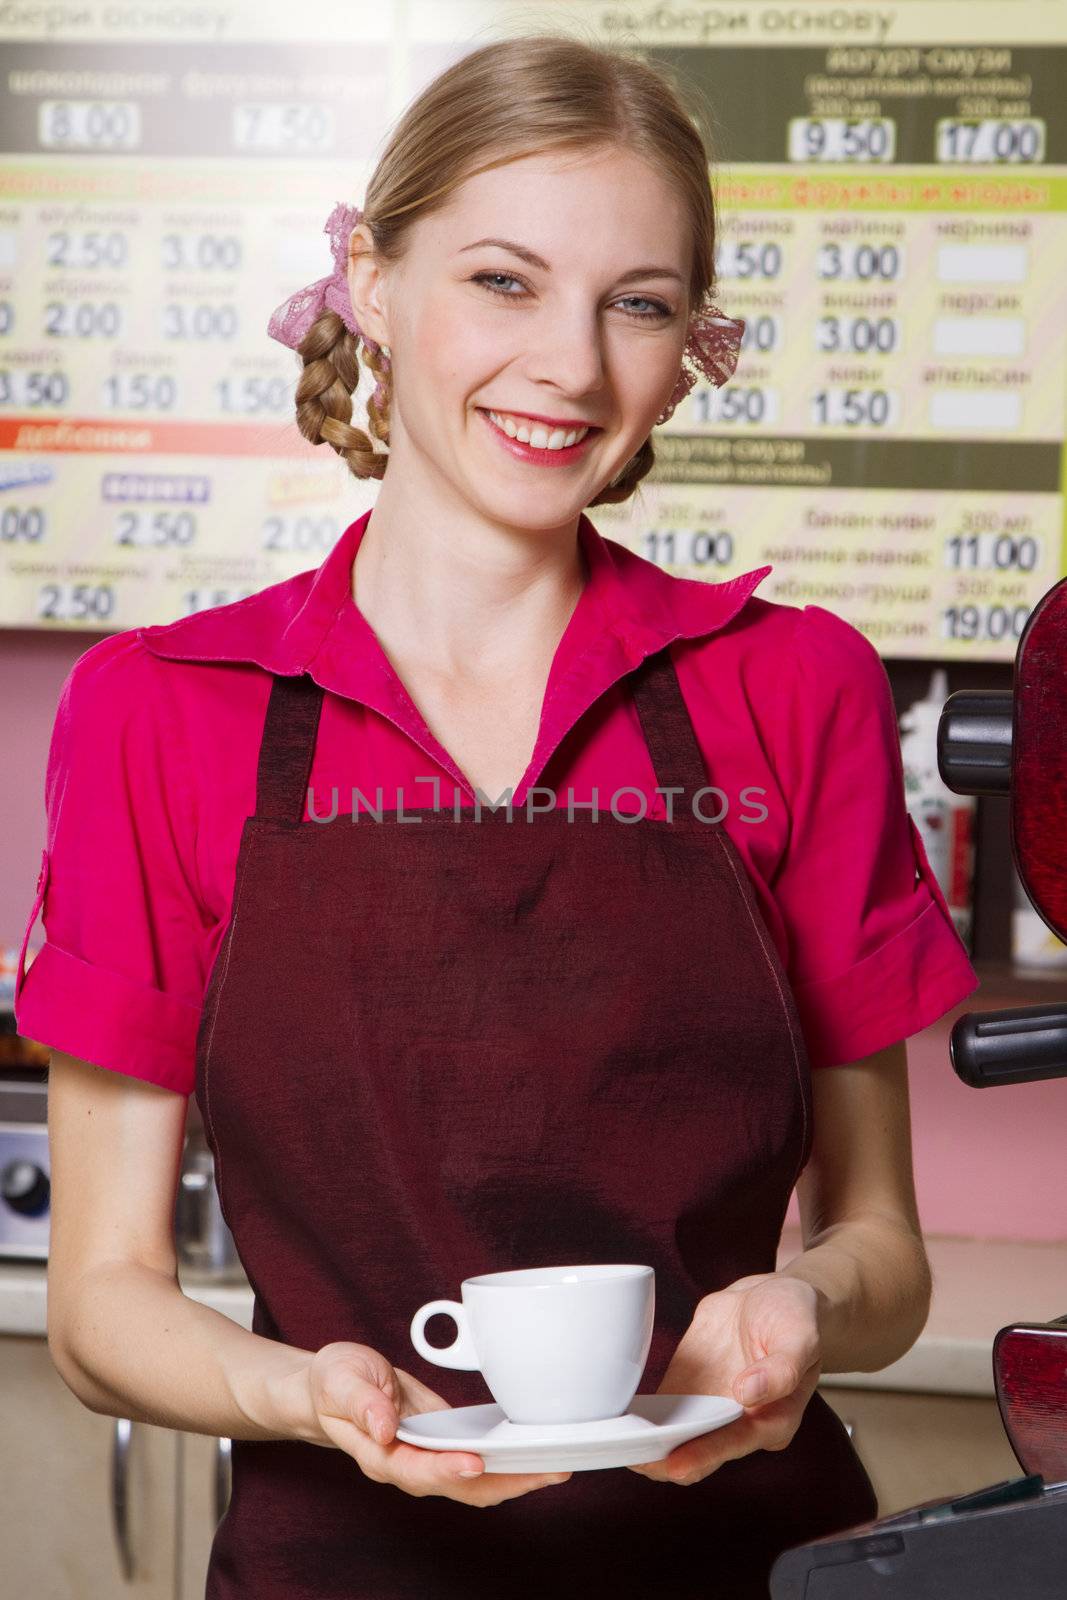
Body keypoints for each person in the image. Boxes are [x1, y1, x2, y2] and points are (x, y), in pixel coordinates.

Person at [16, 33, 980, 1600]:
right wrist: (305, 1397)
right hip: (339, 1564)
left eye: (640, 304)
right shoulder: (164, 712)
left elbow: (878, 1240)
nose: (574, 369)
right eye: (505, 282)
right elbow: (100, 1301)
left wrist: (805, 1312)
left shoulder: (793, 687)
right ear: (373, 280)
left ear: (689, 345)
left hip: (751, 1561)